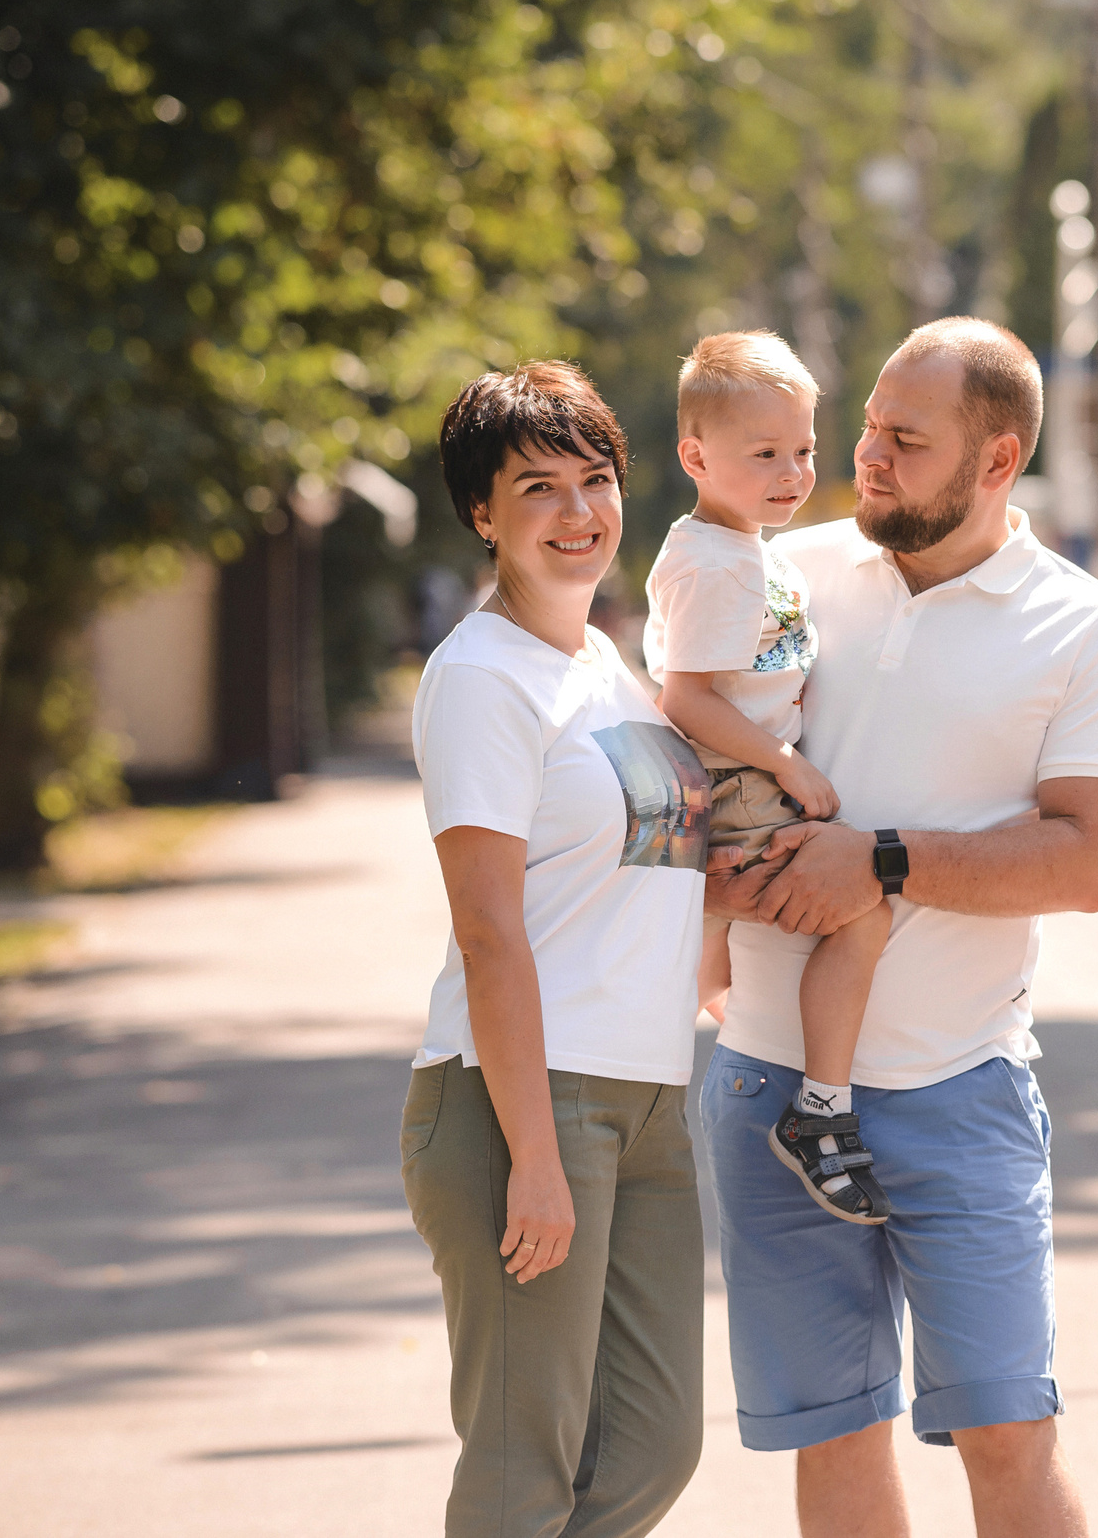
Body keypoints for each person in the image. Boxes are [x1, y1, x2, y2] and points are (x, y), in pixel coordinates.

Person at [700, 318, 1098, 1537]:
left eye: (906, 438)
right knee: (833, 1432)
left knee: (1009, 1431)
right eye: (867, 427)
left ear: (996, 461)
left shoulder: (1086, 627)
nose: (868, 456)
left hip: (961, 1087)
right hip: (765, 1081)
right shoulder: (778, 571)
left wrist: (882, 861)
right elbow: (684, 739)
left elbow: (1088, 860)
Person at [401, 361, 708, 1538]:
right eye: (538, 487)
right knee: (526, 1469)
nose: (578, 512)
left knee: (653, 1444)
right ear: (483, 514)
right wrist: (532, 1150)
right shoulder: (481, 678)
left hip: (646, 1097)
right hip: (519, 1100)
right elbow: (488, 929)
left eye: (595, 480)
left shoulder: (605, 668)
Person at [645, 330, 894, 1227]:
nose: (792, 472)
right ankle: (821, 1109)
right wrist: (784, 760)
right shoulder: (714, 565)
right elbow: (688, 698)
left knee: (718, 939)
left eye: (804, 450)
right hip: (740, 784)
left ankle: (707, 1010)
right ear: (696, 455)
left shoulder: (738, 545)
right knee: (865, 909)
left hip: (740, 779)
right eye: (765, 455)